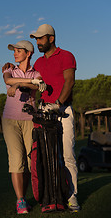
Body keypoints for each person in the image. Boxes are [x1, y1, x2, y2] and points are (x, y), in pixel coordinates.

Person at [29, 24, 80, 212]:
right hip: (44, 115)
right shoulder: (39, 63)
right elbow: (33, 83)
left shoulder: (66, 56)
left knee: (67, 155)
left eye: (41, 38)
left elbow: (70, 81)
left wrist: (58, 103)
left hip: (63, 112)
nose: (38, 42)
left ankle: (72, 197)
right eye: (36, 39)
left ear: (51, 38)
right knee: (47, 157)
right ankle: (53, 196)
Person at [1, 40, 46, 214]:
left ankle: (25, 197)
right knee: (16, 160)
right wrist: (26, 82)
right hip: (10, 120)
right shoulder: (9, 68)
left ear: (28, 53)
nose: (14, 54)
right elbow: (8, 79)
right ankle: (20, 201)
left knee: (29, 162)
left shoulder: (38, 73)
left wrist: (19, 84)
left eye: (18, 51)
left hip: (30, 120)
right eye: (14, 51)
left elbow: (37, 84)